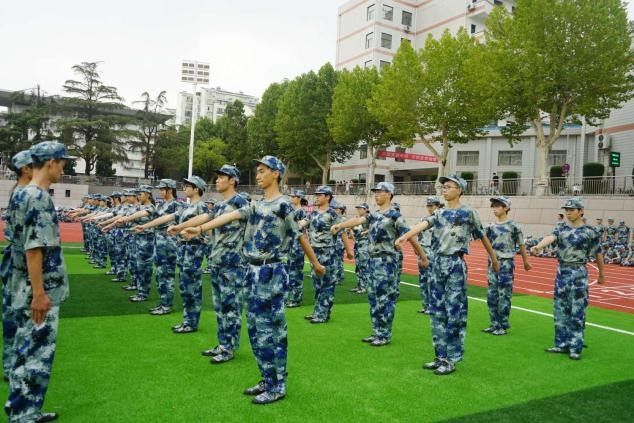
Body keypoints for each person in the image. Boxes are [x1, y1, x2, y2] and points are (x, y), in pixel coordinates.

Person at [181, 155, 325, 405]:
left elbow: (300, 235)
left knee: (272, 330)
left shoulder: (283, 205)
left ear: (276, 174)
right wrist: (201, 229)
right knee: (256, 330)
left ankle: (278, 384)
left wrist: (315, 263)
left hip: (271, 272)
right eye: (257, 171)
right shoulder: (256, 205)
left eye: (262, 171)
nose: (258, 175)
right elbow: (232, 216)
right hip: (252, 271)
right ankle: (267, 378)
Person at [395, 175, 500, 375]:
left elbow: (482, 236)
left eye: (449, 186)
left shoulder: (468, 212)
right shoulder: (440, 212)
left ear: (459, 190)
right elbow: (424, 224)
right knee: (437, 311)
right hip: (437, 264)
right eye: (443, 186)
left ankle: (451, 358)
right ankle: (440, 356)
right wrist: (405, 237)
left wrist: (494, 259)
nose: (444, 189)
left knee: (454, 312)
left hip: (454, 264)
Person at [4, 141, 76, 423]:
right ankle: (24, 414)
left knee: (24, 351)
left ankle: (23, 409)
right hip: (37, 289)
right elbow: (34, 249)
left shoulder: (22, 193)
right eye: (62, 163)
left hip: (21, 285)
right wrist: (39, 293)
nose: (63, 170)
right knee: (35, 354)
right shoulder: (37, 197)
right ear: (50, 163)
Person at [332, 182, 428, 347]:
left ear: (389, 194)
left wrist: (422, 255)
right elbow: (359, 219)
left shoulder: (395, 216)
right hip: (372, 261)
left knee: (385, 298)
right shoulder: (375, 215)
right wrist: (340, 225)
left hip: (387, 261)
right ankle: (377, 331)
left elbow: (409, 235)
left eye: (380, 192)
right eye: (375, 192)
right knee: (373, 297)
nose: (376, 195)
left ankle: (384, 334)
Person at [171, 165, 248, 363]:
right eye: (218, 177)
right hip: (217, 261)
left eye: (222, 177)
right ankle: (223, 344)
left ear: (233, 180)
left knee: (231, 307)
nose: (217, 180)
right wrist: (181, 227)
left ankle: (229, 347)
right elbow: (205, 217)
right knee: (220, 307)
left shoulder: (240, 201)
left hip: (233, 264)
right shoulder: (221, 205)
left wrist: (199, 229)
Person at [531, 197, 606, 360]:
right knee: (560, 310)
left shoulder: (590, 231)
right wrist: (539, 246)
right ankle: (561, 344)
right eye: (566, 210)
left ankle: (575, 347)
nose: (568, 212)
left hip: (578, 272)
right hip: (562, 272)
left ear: (581, 211)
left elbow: (598, 253)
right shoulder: (561, 228)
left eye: (572, 210)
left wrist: (601, 273)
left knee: (577, 311)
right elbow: (551, 237)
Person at [1, 150, 33, 383]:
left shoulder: (19, 193)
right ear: (25, 169)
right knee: (18, 318)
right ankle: (15, 368)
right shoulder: (24, 195)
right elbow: (27, 241)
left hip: (15, 263)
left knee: (15, 316)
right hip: (20, 266)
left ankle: (11, 365)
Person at [166, 176, 210, 334]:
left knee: (192, 287)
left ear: (196, 189)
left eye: (188, 185)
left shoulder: (201, 207)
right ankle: (187, 320)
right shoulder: (186, 207)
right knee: (185, 287)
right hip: (183, 249)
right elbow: (172, 217)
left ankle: (191, 322)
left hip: (194, 249)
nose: (184, 188)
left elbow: (206, 226)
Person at [482, 196, 532, 336]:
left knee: (504, 295)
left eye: (498, 206)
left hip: (506, 264)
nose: (495, 209)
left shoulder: (514, 226)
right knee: (492, 295)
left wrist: (526, 261)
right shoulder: (490, 227)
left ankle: (502, 325)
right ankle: (494, 323)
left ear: (506, 208)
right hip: (493, 263)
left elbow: (521, 244)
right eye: (493, 206)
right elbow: (483, 240)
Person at [301, 187, 350, 324]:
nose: (316, 197)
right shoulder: (312, 213)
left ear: (327, 197)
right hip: (314, 253)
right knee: (317, 284)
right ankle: (317, 311)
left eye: (320, 195)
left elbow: (342, 231)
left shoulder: (332, 214)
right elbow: (303, 223)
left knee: (327, 284)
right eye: (316, 194)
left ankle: (323, 314)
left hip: (328, 253)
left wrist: (349, 250)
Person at [133, 179, 182, 315]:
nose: (160, 191)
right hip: (158, 243)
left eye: (162, 189)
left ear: (170, 190)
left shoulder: (176, 205)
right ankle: (163, 303)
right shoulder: (160, 205)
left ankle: (166, 305)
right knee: (160, 274)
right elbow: (149, 215)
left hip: (168, 244)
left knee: (167, 274)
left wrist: (144, 226)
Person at [418, 196, 442, 314]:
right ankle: (425, 305)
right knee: (423, 280)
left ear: (437, 206)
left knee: (432, 281)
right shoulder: (424, 220)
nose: (429, 208)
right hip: (423, 253)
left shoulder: (441, 220)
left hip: (433, 254)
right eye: (428, 206)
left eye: (431, 206)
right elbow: (419, 235)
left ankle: (433, 306)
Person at [286, 189, 308, 307]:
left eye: (293, 196)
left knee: (296, 272)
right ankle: (292, 296)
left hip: (297, 246)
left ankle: (296, 298)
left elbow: (301, 226)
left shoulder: (301, 211)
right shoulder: (293, 211)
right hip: (291, 245)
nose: (291, 198)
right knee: (290, 272)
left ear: (299, 198)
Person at [350, 202, 370, 294]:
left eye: (360, 208)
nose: (358, 210)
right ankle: (360, 285)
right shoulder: (358, 219)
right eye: (358, 208)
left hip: (365, 244)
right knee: (358, 266)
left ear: (366, 209)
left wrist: (364, 232)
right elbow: (352, 228)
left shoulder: (369, 218)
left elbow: (374, 227)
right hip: (358, 244)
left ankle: (365, 286)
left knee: (364, 265)